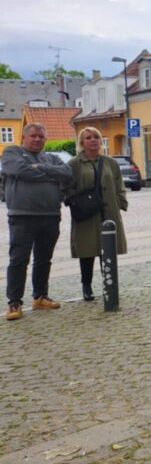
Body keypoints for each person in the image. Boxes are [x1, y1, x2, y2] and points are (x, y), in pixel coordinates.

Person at [3, 123, 73, 321]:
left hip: (50, 215)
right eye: (33, 135)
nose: (37, 139)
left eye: (41, 136)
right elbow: (19, 171)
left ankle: (40, 297)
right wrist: (50, 175)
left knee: (44, 259)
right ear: (23, 137)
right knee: (19, 260)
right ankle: (14, 303)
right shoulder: (12, 152)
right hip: (22, 216)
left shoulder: (51, 157)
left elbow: (67, 173)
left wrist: (40, 167)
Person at [68, 127, 128, 301]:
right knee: (87, 251)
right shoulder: (74, 163)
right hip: (86, 214)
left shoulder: (110, 162)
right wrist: (74, 202)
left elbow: (119, 184)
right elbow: (67, 186)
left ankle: (109, 284)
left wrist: (121, 202)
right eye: (88, 138)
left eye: (96, 137)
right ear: (81, 142)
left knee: (108, 249)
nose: (93, 140)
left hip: (108, 212)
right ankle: (86, 286)